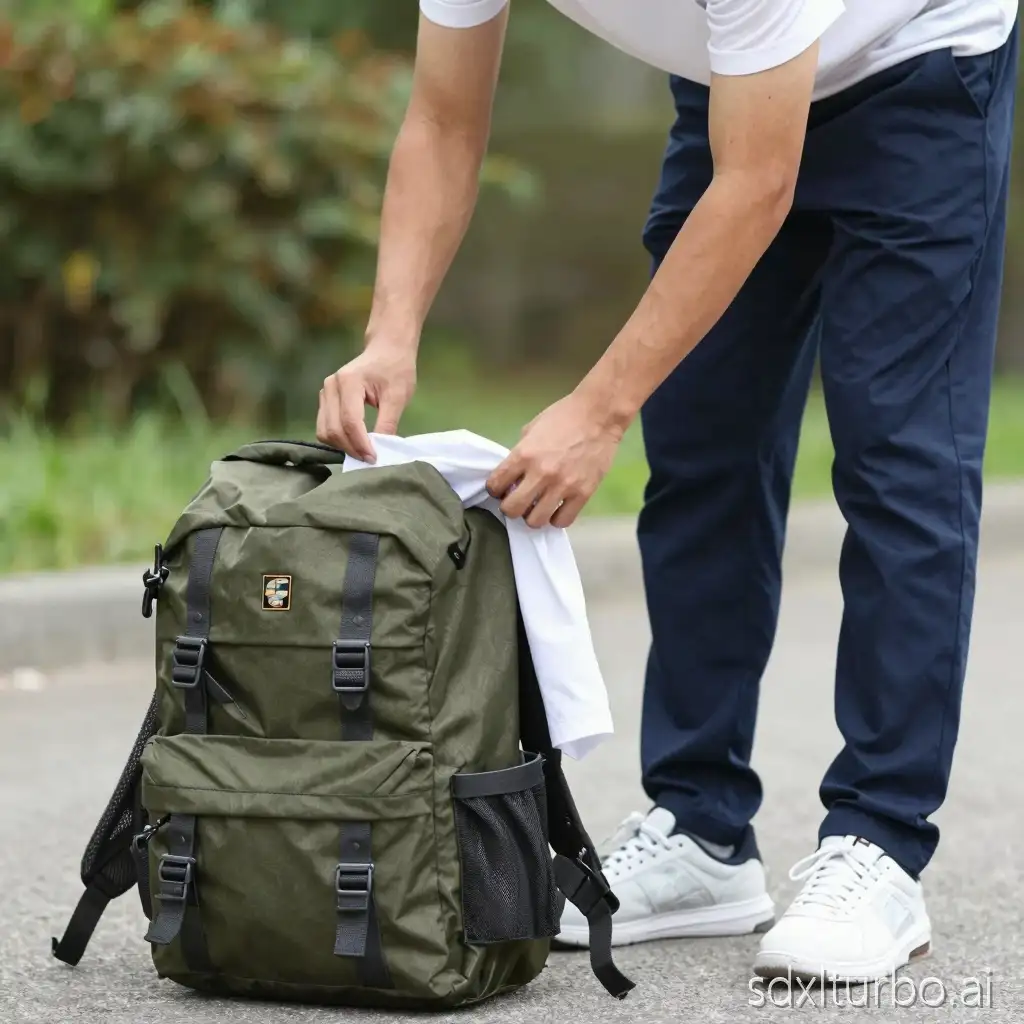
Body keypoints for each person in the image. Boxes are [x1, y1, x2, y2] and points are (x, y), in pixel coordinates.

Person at [316, 0, 1019, 983]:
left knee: (896, 458)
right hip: (742, 87)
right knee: (700, 447)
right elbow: (442, 118)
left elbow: (760, 181)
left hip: (920, 64)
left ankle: (880, 838)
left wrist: (595, 410)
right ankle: (701, 829)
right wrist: (390, 334)